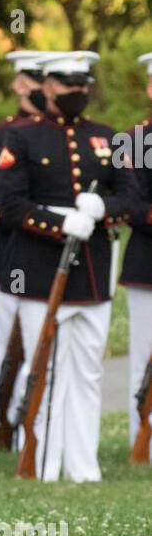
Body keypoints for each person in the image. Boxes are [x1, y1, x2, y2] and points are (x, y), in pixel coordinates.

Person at [0, 51, 137, 481]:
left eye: (82, 84)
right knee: (42, 367)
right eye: (66, 84)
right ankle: (40, 460)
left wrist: (102, 208)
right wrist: (60, 223)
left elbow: (131, 198)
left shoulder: (109, 136)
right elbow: (11, 205)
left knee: (88, 369)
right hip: (40, 269)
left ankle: (83, 464)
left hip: (92, 270)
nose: (75, 91)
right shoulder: (21, 137)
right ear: (48, 86)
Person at [0, 50, 56, 437]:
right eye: (31, 78)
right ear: (18, 83)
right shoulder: (1, 134)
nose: (38, 87)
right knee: (7, 342)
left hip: (51, 251)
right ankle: (5, 421)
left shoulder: (60, 132)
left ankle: (31, 423)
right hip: (12, 253)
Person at [119, 53, 152, 453]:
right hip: (147, 266)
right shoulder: (133, 140)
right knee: (143, 356)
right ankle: (141, 437)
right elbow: (131, 205)